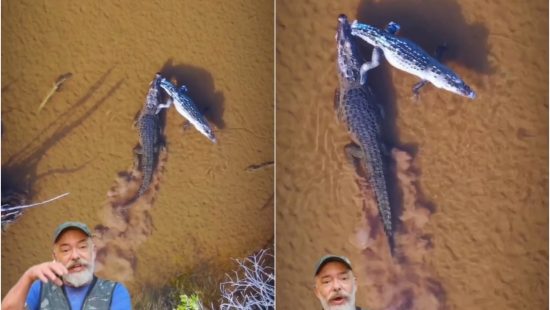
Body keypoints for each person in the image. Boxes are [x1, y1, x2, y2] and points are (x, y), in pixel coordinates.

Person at [2, 221, 131, 310]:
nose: (75, 256)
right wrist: (28, 276)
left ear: (94, 252)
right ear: (55, 257)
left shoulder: (114, 291)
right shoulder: (40, 289)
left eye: (82, 247)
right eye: (65, 250)